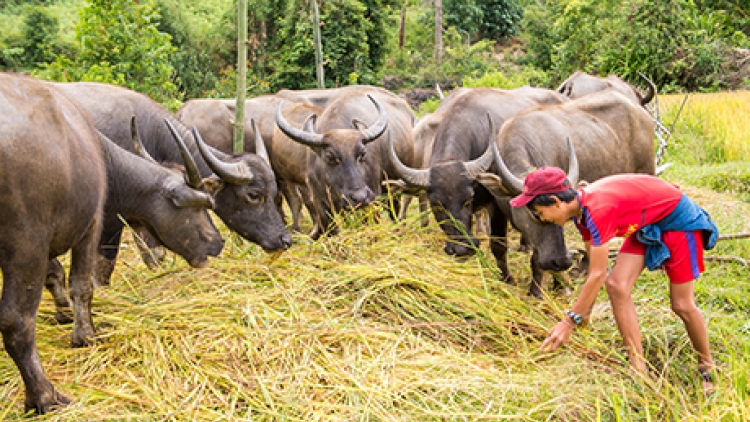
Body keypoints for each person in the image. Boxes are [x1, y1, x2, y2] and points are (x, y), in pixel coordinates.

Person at [508, 166, 719, 392]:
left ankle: (707, 367)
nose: (543, 219)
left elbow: (598, 273)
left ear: (556, 202)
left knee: (682, 304)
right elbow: (594, 269)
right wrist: (584, 311)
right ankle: (638, 368)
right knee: (617, 286)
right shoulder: (581, 215)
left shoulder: (598, 209)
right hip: (648, 221)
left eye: (540, 213)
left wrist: (569, 321)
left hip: (678, 221)